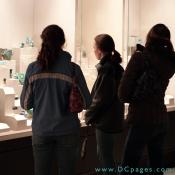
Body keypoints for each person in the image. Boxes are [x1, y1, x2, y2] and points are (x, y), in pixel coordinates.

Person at [20, 24, 91, 175]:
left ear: (43, 41)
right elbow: (87, 102)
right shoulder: (73, 69)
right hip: (68, 130)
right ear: (63, 42)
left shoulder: (33, 69)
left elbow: (25, 104)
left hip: (41, 130)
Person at [118, 24, 175, 175]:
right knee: (156, 166)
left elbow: (122, 93)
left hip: (141, 118)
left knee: (128, 167)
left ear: (149, 38)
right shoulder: (169, 62)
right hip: (161, 118)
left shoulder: (140, 57)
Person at [85, 34, 124, 173]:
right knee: (107, 156)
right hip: (113, 119)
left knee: (105, 158)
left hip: (106, 122)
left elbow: (101, 99)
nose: (93, 50)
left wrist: (88, 116)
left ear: (100, 50)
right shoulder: (116, 67)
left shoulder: (107, 69)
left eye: (94, 47)